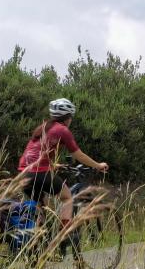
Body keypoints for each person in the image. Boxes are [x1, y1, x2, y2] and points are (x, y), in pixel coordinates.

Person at [18, 98, 108, 230]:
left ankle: (37, 242)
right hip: (40, 173)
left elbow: (35, 153)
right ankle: (64, 234)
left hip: (23, 173)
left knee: (43, 208)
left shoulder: (42, 127)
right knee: (67, 197)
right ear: (67, 117)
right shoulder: (62, 130)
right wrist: (98, 165)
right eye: (71, 117)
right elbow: (78, 155)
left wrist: (53, 165)